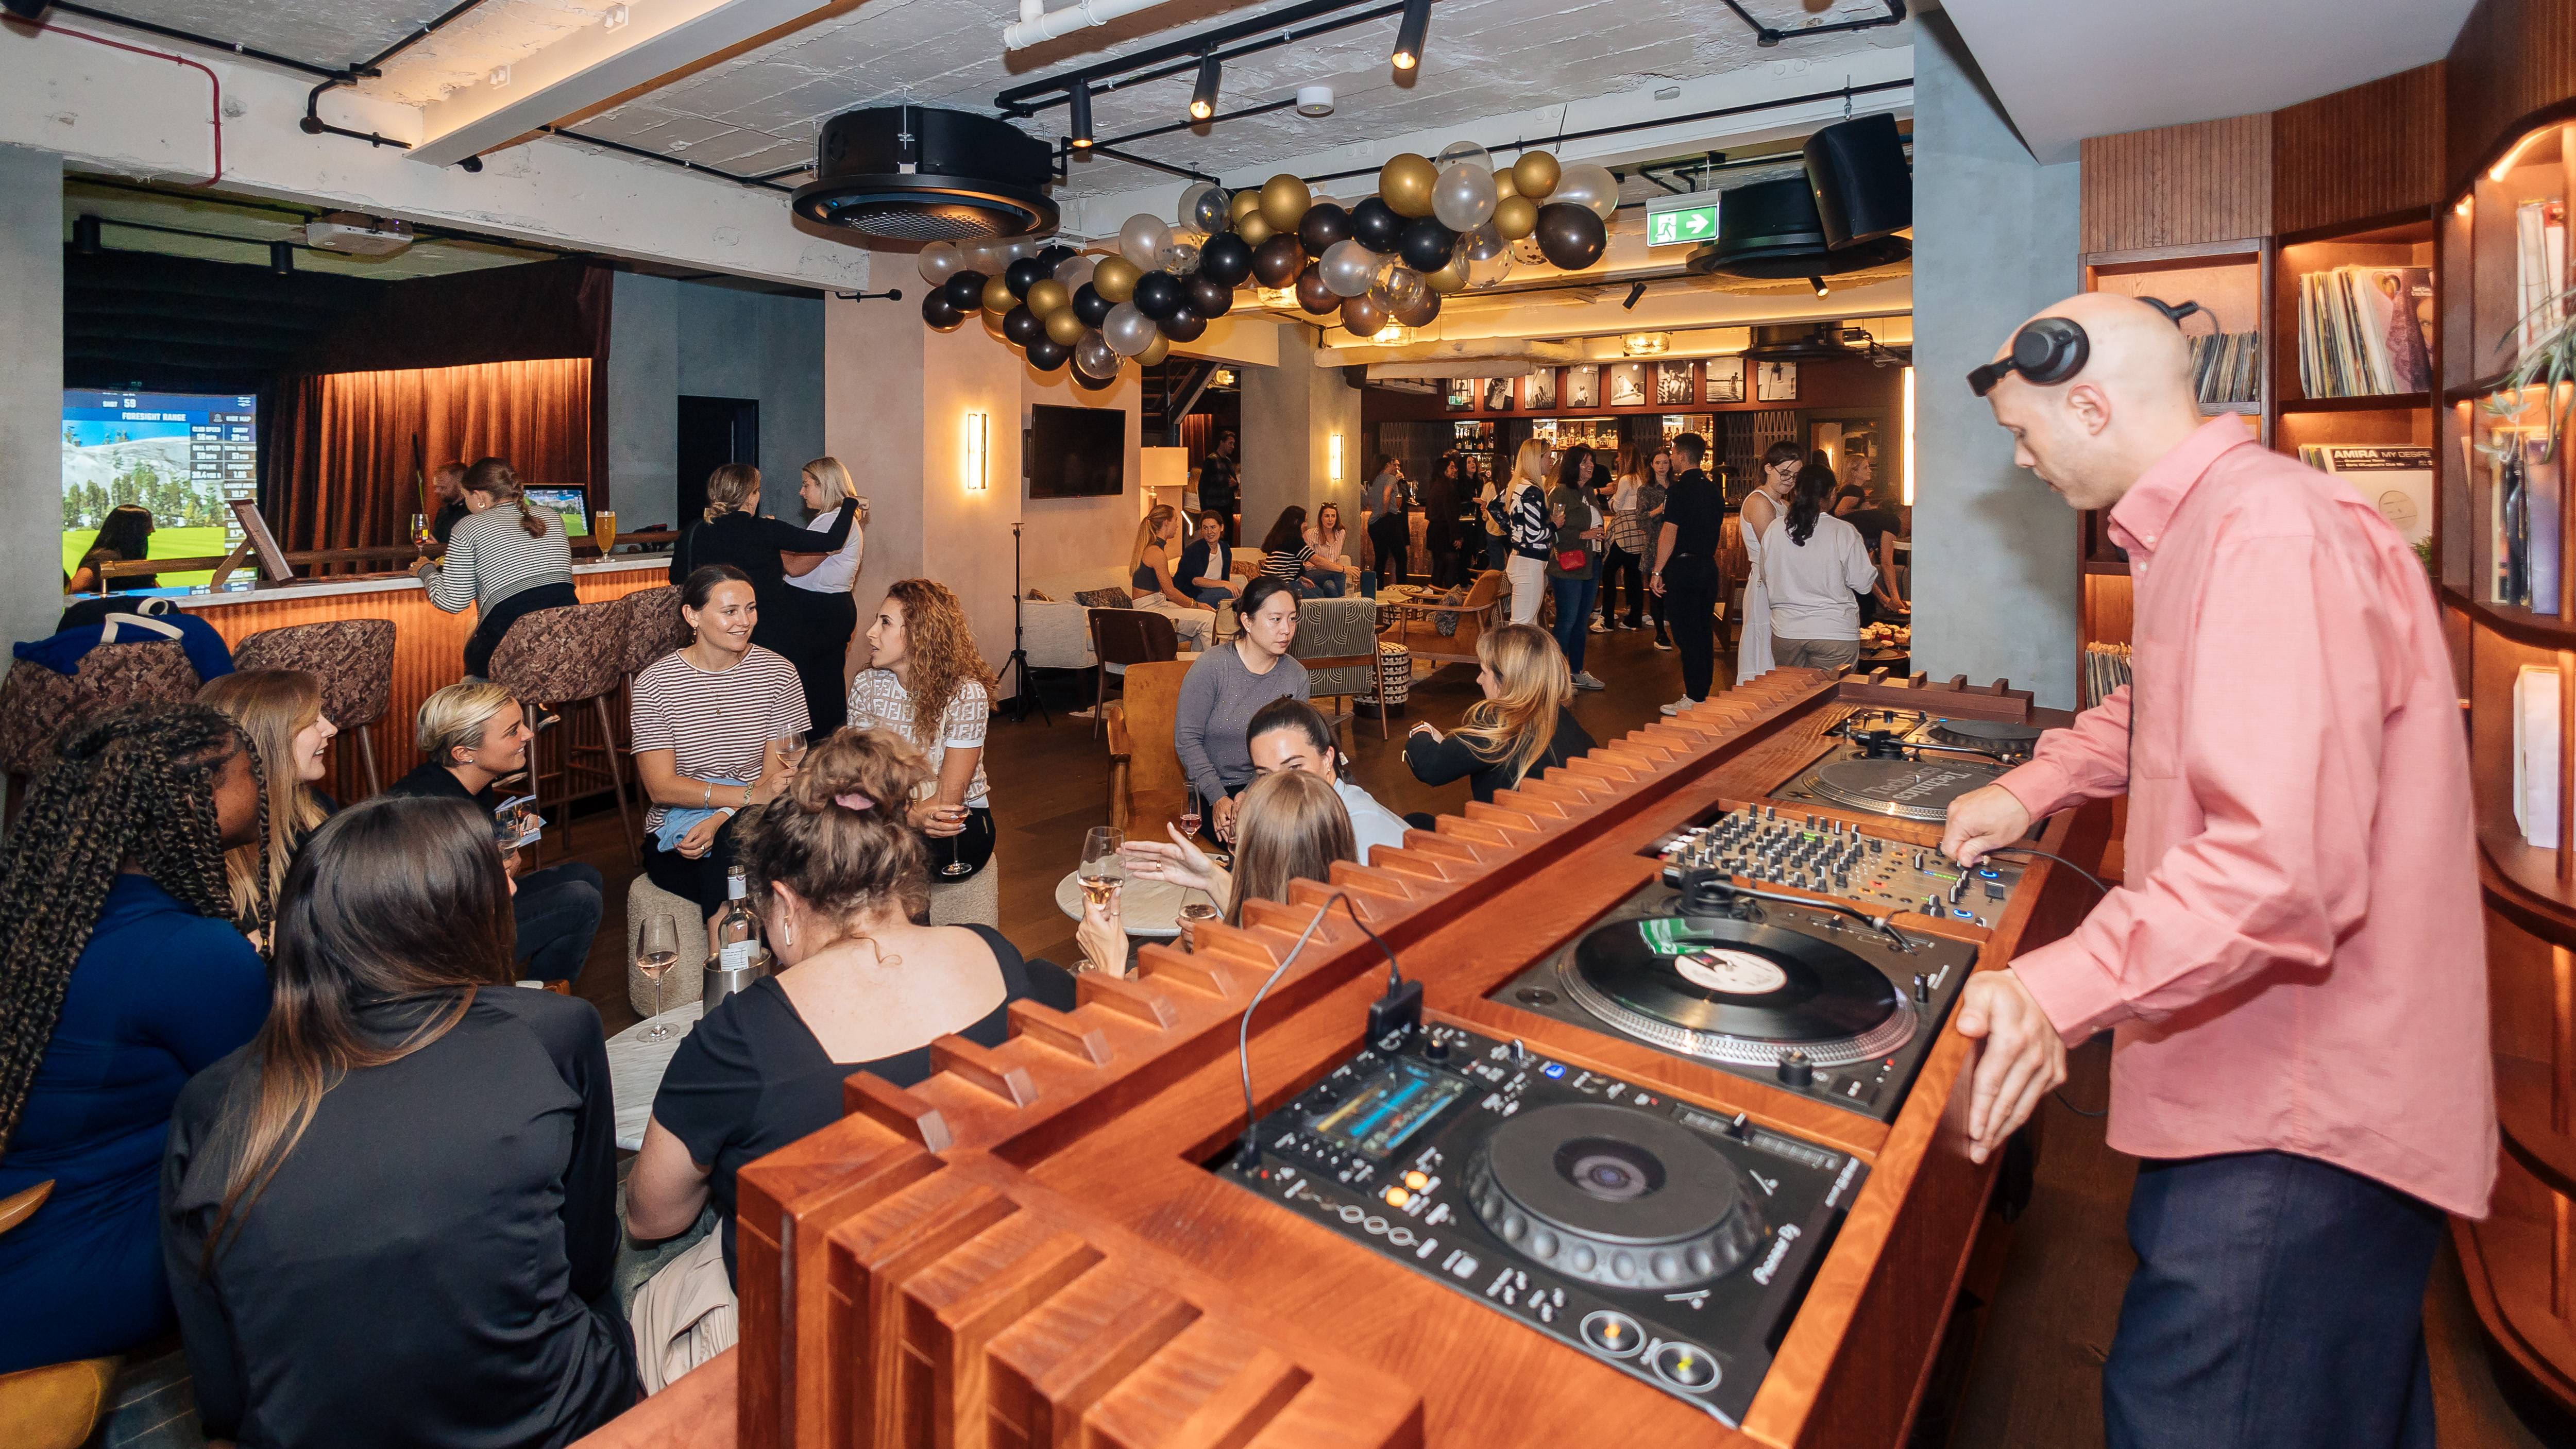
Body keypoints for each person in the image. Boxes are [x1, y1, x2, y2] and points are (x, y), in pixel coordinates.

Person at [1941, 292, 2488, 1449]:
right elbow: (2165, 702)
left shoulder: (2270, 534)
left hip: (2298, 1107)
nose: (2024, 457)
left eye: (2025, 432)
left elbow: (2276, 868)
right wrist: (2032, 787)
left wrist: (2052, 986)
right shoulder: (2214, 526)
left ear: (2090, 405)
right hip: (2267, 1082)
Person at [161, 796, 634, 1447]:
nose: (511, 887)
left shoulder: (211, 1102)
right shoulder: (554, 1030)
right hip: (556, 1421)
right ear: (436, 912)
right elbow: (588, 1262)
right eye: (490, 873)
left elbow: (220, 1387)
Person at [625, 728, 1072, 1387]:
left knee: (628, 1267)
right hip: (976, 1282)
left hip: (818, 1342)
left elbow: (653, 1216)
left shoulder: (743, 1035)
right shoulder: (995, 955)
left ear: (784, 901)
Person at [0, 704, 269, 1376]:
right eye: (249, 770)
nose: (261, 783)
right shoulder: (189, 951)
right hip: (82, 1251)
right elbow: (270, 1111)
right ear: (198, 802)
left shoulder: (35, 914)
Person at [385, 681, 606, 987]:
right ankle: (536, 1004)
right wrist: (493, 876)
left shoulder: (467, 780)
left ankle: (541, 993)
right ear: (464, 753)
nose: (529, 734)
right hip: (434, 950)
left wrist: (499, 865)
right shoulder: (434, 813)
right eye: (512, 731)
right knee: (579, 901)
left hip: (469, 912)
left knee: (584, 875)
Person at [631, 565, 804, 936]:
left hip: (757, 822)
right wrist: (745, 799)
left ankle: (725, 959)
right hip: (681, 834)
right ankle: (739, 952)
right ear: (692, 615)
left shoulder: (778, 673)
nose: (745, 621)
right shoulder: (655, 683)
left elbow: (773, 781)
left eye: (751, 609)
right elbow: (661, 788)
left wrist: (721, 818)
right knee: (746, 868)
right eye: (730, 611)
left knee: (733, 844)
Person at [846, 579, 999, 928]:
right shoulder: (867, 685)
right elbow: (860, 775)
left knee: (892, 853)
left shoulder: (965, 694)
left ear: (919, 635)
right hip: (888, 808)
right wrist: (904, 815)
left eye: (885, 623)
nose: (871, 632)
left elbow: (949, 797)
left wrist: (904, 817)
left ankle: (914, 941)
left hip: (958, 821)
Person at [669, 462, 855, 726]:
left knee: (731, 711)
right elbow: (832, 541)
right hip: (776, 634)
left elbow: (678, 578)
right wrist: (850, 504)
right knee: (782, 715)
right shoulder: (766, 529)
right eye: (757, 491)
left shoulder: (694, 531)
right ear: (750, 496)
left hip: (719, 633)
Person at [1114, 768, 1356, 929]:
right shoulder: (1336, 925)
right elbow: (1260, 930)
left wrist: (1111, 956)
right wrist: (1211, 876)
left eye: (1244, 843)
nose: (1237, 853)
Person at [195, 669, 337, 930]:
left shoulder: (316, 809)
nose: (332, 729)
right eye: (312, 721)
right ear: (269, 739)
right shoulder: (209, 842)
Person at [1175, 576, 1310, 844]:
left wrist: (1250, 793)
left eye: (1293, 619)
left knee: (1297, 837)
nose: (1286, 630)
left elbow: (1293, 749)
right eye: (1276, 619)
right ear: (1247, 622)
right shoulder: (1213, 667)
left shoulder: (1296, 676)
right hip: (1211, 787)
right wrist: (1219, 798)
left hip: (1268, 786)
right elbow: (1187, 740)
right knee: (1249, 841)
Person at [417, 457, 578, 680]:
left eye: (466, 496)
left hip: (510, 653)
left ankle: (482, 700)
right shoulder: (552, 516)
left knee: (475, 643)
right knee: (476, 625)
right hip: (569, 646)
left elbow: (452, 602)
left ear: (479, 496)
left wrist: (425, 570)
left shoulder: (468, 526)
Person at [1403, 622, 1595, 806]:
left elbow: (1431, 767)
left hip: (1511, 827)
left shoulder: (1502, 725)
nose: (1479, 680)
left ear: (1508, 680)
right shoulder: (1564, 719)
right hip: (1557, 823)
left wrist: (1421, 731)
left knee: (1416, 821)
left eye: (1485, 672)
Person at [1246, 697, 1409, 860]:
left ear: (1327, 759)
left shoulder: (1356, 832)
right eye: (1265, 775)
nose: (1278, 788)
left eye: (1294, 768)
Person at [1761, 463, 1879, 673]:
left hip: (1787, 632)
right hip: (1834, 631)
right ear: (1832, 493)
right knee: (1831, 694)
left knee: (1793, 693)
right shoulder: (1843, 531)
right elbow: (1863, 584)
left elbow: (1765, 575)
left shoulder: (1775, 529)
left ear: (1796, 492)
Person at [1649, 433, 1731, 712]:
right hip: (1708, 567)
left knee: (1686, 634)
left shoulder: (1678, 491)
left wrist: (1657, 571)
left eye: (1673, 453)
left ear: (1682, 456)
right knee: (1703, 631)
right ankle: (1702, 693)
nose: (1671, 458)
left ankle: (1695, 697)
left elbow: (1669, 533)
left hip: (1683, 569)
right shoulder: (1714, 490)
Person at [784, 456, 866, 734]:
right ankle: (829, 750)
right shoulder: (835, 519)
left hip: (818, 611)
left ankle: (815, 748)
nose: (802, 492)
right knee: (824, 684)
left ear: (825, 485)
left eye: (807, 485)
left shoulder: (833, 521)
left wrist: (772, 538)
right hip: (827, 609)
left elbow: (796, 567)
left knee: (813, 688)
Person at [1730, 441, 1799, 689]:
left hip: (1781, 580)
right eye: (1785, 473)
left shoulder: (1784, 504)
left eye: (1795, 476)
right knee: (1763, 649)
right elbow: (1775, 551)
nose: (1790, 481)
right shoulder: (1759, 501)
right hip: (1766, 583)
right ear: (1768, 468)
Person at [1546, 445, 1609, 692]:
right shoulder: (1561, 492)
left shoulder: (1589, 492)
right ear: (1573, 466)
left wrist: (1598, 536)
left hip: (1592, 563)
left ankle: (1577, 672)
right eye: (1584, 462)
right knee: (1567, 621)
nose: (1590, 465)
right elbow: (1554, 532)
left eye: (1591, 461)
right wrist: (1585, 534)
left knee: (1582, 622)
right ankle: (1555, 677)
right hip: (1568, 566)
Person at [1494, 439, 1553, 626]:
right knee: (1523, 625)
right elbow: (1534, 534)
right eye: (1548, 457)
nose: (1551, 461)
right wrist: (1555, 525)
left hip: (1520, 559)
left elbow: (1494, 507)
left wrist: (1514, 530)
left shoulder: (1518, 485)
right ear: (1536, 459)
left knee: (1526, 623)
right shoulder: (1532, 491)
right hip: (1530, 562)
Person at [1600, 447, 1651, 635]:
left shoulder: (1625, 479)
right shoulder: (1642, 479)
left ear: (1627, 459)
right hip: (1638, 530)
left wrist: (1610, 495)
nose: (1617, 460)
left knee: (1608, 572)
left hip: (1624, 531)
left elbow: (1615, 507)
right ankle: (1634, 619)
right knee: (1634, 575)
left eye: (1620, 457)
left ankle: (1607, 619)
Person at [67, 503, 157, 594]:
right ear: (132, 528)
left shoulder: (129, 556)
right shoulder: (103, 559)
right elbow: (73, 590)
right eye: (147, 525)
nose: (152, 530)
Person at [1258, 505, 1344, 598]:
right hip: (1281, 585)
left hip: (1274, 582)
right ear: (1296, 522)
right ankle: (1346, 603)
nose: (1306, 525)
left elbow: (1282, 568)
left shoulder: (1278, 536)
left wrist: (1299, 579)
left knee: (1321, 594)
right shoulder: (1293, 539)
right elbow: (1317, 561)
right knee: (1337, 575)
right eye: (1305, 521)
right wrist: (1344, 569)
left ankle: (1341, 603)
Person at [1175, 510, 1241, 609]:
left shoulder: (1225, 549)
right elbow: (1196, 581)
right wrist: (1225, 584)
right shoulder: (1194, 549)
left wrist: (1228, 585)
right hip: (1192, 593)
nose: (1209, 532)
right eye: (1205, 528)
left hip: (1214, 590)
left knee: (1239, 594)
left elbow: (1225, 578)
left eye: (1213, 527)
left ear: (1221, 527)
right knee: (1229, 594)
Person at [1420, 452, 1467, 588]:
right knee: (1451, 566)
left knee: (1439, 566)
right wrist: (1457, 537)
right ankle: (1450, 598)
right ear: (1444, 470)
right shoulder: (1448, 489)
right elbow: (1451, 515)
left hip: (1434, 530)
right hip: (1445, 531)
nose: (1455, 470)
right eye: (1452, 467)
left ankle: (1435, 596)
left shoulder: (1435, 486)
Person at [1363, 456, 1412, 586]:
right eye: (1392, 464)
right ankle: (1401, 589)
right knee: (1401, 556)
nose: (1394, 467)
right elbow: (1387, 493)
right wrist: (1385, 511)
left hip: (1374, 524)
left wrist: (1379, 510)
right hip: (1389, 521)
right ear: (1386, 465)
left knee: (1381, 559)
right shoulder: (1390, 478)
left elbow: (1369, 501)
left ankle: (1377, 591)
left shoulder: (1374, 480)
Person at [1196, 430, 1241, 550]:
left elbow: (1234, 483)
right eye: (1230, 443)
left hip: (1228, 507)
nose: (1233, 447)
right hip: (1214, 507)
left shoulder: (1229, 462)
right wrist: (1205, 510)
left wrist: (1236, 484)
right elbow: (1203, 486)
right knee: (1215, 538)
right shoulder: (1211, 460)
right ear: (1222, 443)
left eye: (1233, 444)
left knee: (1228, 538)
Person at [1307, 501, 1354, 590]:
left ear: (1337, 518)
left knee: (1330, 586)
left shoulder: (1341, 533)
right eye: (1327, 516)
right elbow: (1307, 564)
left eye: (1333, 516)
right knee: (1340, 573)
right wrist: (1331, 566)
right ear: (1321, 518)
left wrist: (1333, 567)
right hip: (1313, 573)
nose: (1330, 520)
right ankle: (1342, 598)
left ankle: (1339, 599)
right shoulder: (1311, 534)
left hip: (1332, 573)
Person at [425, 459, 468, 549]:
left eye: (443, 488)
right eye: (437, 487)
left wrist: (438, 549)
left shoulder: (472, 513)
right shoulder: (443, 512)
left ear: (460, 484)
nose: (436, 491)